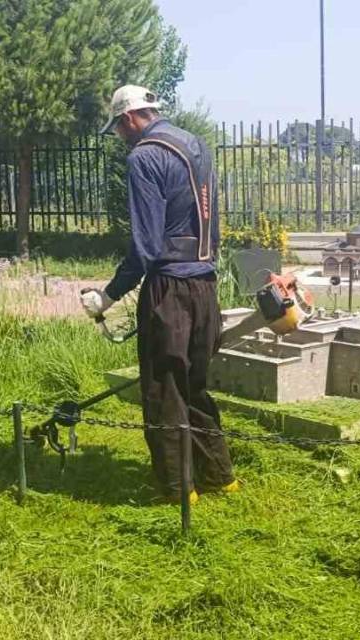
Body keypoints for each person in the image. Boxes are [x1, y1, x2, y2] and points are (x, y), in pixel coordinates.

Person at [80, 85, 237, 505]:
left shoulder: (144, 157)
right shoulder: (195, 145)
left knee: (164, 392)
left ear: (130, 118)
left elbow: (146, 245)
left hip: (170, 289)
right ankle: (219, 475)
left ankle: (177, 489)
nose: (119, 135)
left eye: (117, 127)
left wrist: (108, 296)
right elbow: (212, 223)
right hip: (205, 284)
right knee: (195, 386)